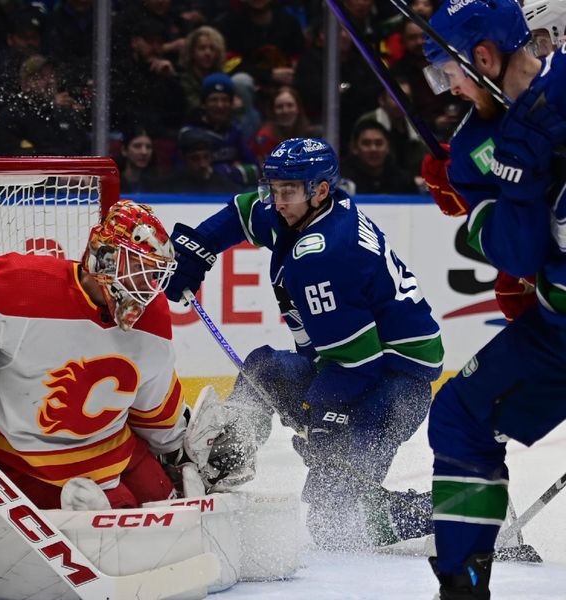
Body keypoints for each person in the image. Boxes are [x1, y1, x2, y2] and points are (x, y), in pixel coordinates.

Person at [163, 137, 443, 550]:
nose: (277, 200)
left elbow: (357, 366)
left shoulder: (323, 256)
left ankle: (455, 510)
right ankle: (227, 457)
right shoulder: (301, 208)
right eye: (273, 189)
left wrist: (317, 416)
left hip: (392, 387)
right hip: (357, 366)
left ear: (320, 190)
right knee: (262, 371)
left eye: (287, 192)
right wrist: (199, 248)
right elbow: (242, 213)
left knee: (338, 524)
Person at [0, 200, 189, 510]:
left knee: (176, 512)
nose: (147, 287)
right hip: (27, 465)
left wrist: (181, 451)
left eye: (153, 274)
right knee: (126, 536)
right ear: (103, 258)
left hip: (119, 453)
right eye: (138, 269)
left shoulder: (153, 317)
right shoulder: (20, 287)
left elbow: (156, 408)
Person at [420, 0, 566, 596]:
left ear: (480, 57)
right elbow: (517, 255)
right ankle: (461, 583)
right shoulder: (474, 148)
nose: (446, 89)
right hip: (558, 328)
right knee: (459, 414)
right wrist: (519, 184)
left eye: (445, 71)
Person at [340, 119, 420, 194]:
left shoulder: (403, 180)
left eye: (379, 143)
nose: (373, 149)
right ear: (355, 148)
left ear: (388, 147)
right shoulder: (342, 180)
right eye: (366, 143)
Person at [118, 125, 158, 194]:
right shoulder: (113, 185)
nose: (144, 152)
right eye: (137, 146)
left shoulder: (156, 185)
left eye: (148, 147)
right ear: (124, 150)